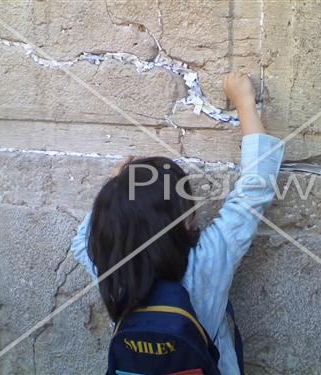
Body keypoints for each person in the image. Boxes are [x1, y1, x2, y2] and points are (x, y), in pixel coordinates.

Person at [69, 71, 285, 374]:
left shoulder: (111, 269)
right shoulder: (205, 262)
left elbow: (82, 241)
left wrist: (118, 186)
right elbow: (254, 191)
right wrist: (245, 103)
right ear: (185, 220)